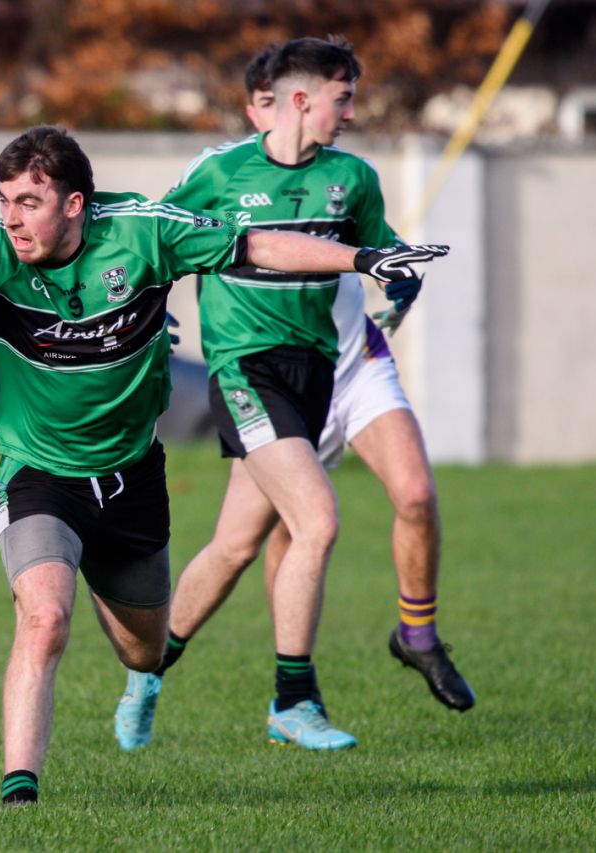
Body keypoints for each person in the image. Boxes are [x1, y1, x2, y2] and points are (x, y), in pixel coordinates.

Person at [0, 124, 446, 802]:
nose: (11, 217)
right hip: (39, 478)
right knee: (44, 620)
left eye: (28, 201)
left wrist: (361, 260)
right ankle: (19, 788)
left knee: (143, 651)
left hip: (132, 479)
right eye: (4, 199)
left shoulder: (147, 231)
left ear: (75, 204)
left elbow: (256, 245)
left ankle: (139, 670)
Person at [114, 36, 462, 753]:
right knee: (318, 520)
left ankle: (147, 672)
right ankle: (292, 698)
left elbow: (377, 248)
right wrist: (145, 318)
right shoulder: (218, 174)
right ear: (300, 99)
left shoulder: (353, 178)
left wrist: (400, 280)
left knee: (235, 545)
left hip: (322, 368)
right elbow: (154, 242)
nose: (353, 112)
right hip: (245, 369)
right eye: (344, 98)